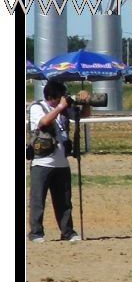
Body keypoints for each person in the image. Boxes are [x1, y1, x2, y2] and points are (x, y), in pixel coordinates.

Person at [27, 80, 91, 242]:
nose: (63, 99)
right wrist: (60, 107)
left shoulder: (63, 109)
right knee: (38, 200)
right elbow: (43, 122)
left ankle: (67, 231)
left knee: (64, 200)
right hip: (42, 162)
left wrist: (86, 102)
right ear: (51, 97)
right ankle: (36, 233)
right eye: (60, 97)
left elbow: (83, 115)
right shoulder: (37, 107)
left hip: (62, 162)